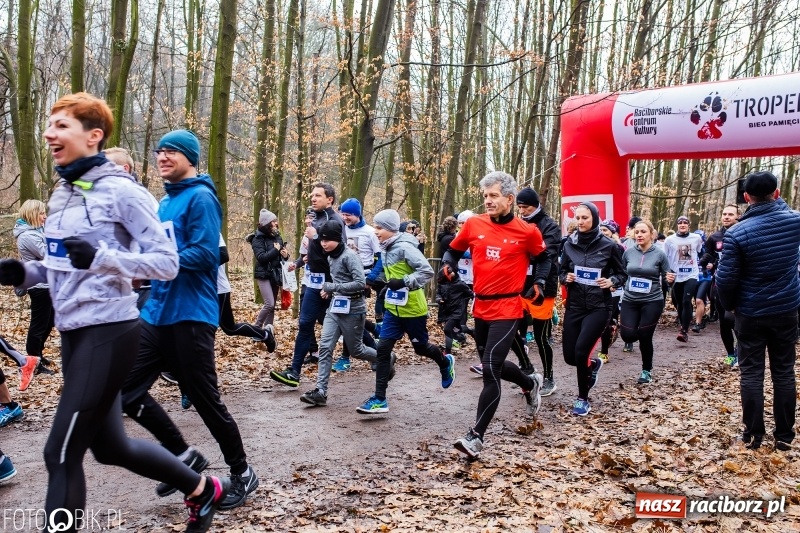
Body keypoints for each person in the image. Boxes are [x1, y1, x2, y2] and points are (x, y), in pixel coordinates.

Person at [0, 94, 227, 532]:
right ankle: (203, 489)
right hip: (74, 331)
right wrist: (22, 272)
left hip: (109, 328)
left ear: (93, 135)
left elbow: (167, 262)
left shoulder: (125, 191)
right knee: (110, 447)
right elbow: (61, 263)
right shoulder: (65, 191)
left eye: (62, 126)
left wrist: (104, 257)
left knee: (60, 452)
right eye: (50, 125)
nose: (49, 133)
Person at [120, 128, 256, 511]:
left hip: (191, 314)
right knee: (126, 391)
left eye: (171, 152)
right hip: (157, 312)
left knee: (203, 398)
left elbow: (205, 255)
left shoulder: (200, 198)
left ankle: (242, 473)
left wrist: (158, 264)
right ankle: (182, 455)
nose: (162, 157)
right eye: (158, 151)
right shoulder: (165, 202)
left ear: (189, 158)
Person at [443, 172, 549, 459]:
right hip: (481, 306)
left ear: (510, 199)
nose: (487, 201)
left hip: (509, 306)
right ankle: (530, 383)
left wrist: (538, 282)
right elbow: (452, 251)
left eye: (493, 196)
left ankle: (476, 437)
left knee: (490, 368)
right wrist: (448, 266)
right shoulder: (474, 224)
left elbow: (544, 258)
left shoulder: (527, 231)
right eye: (485, 196)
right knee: (495, 364)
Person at [716, 171, 800, 452]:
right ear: (777, 193)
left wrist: (730, 306)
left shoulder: (737, 232)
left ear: (746, 198)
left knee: (751, 373)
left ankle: (753, 435)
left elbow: (725, 279)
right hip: (786, 309)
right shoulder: (795, 221)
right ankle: (785, 436)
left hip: (750, 312)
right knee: (784, 371)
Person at [357, 209, 454, 414]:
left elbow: (427, 271)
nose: (376, 231)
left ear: (391, 229)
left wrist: (403, 282)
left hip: (413, 309)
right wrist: (378, 282)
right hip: (393, 309)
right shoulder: (385, 247)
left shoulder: (404, 248)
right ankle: (380, 399)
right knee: (383, 350)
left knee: (420, 348)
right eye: (375, 227)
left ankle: (445, 362)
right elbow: (387, 271)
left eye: (379, 228)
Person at [271, 184, 344, 387]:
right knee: (305, 324)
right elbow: (312, 250)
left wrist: (331, 284)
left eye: (318, 195)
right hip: (313, 283)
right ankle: (294, 372)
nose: (313, 198)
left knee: (347, 325)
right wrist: (300, 262)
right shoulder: (317, 218)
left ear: (329, 199)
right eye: (312, 195)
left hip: (328, 282)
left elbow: (340, 251)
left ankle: (378, 355)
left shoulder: (334, 220)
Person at [300, 220, 378, 406]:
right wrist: (330, 291)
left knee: (356, 350)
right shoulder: (330, 256)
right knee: (325, 347)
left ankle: (383, 356)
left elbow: (361, 284)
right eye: (321, 240)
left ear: (337, 239)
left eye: (327, 240)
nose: (323, 244)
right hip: (335, 308)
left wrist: (334, 287)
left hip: (353, 309)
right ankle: (320, 392)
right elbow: (337, 281)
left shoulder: (350, 257)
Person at [559, 202, 626, 416]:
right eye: (577, 218)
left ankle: (582, 398)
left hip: (599, 307)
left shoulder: (609, 245)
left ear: (595, 219)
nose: (580, 222)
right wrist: (565, 278)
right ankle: (593, 365)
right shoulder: (569, 244)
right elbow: (560, 271)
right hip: (575, 305)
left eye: (584, 218)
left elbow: (622, 274)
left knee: (580, 352)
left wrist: (612, 281)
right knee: (570, 356)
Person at [515, 187, 561, 396]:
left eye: (526, 207)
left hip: (542, 287)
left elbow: (546, 254)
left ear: (536, 205)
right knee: (513, 331)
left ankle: (549, 377)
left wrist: (524, 252)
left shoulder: (550, 225)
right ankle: (527, 370)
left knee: (542, 337)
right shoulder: (517, 223)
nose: (522, 211)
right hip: (517, 285)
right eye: (520, 207)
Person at [619, 220, 674, 384]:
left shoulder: (659, 254)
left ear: (651, 234)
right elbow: (622, 273)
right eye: (637, 232)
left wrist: (670, 279)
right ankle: (635, 333)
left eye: (643, 232)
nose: (639, 235)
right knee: (627, 335)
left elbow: (667, 276)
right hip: (630, 299)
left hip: (652, 300)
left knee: (645, 335)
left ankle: (646, 370)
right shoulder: (628, 253)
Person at [332, 198, 381, 372]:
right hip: (343, 279)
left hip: (363, 279)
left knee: (348, 318)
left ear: (357, 214)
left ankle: (349, 357)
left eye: (348, 215)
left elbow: (380, 257)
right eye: (343, 214)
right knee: (348, 318)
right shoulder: (341, 229)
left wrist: (371, 279)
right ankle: (374, 347)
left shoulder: (370, 232)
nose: (345, 217)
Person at [13, 199, 56, 384]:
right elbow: (48, 254)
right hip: (39, 286)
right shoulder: (28, 236)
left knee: (49, 321)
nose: (45, 216)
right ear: (32, 214)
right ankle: (32, 361)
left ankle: (37, 355)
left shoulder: (37, 231)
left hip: (47, 283)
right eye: (41, 213)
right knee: (39, 325)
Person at [701, 204, 739, 366]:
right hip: (719, 283)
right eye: (724, 214)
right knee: (724, 321)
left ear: (738, 216)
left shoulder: (743, 234)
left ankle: (741, 349)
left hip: (740, 285)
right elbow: (709, 253)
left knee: (734, 320)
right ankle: (731, 353)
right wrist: (706, 260)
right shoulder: (715, 237)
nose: (726, 217)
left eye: (730, 214)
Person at [663, 216, 704, 342]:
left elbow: (700, 252)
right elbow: (664, 258)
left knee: (687, 300)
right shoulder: (669, 240)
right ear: (677, 225)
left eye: (685, 222)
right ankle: (683, 323)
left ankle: (684, 330)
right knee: (680, 302)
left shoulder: (696, 238)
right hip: (676, 275)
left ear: (689, 225)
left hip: (691, 274)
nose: (682, 224)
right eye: (680, 222)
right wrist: (667, 273)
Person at [250, 208, 287, 329]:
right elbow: (261, 258)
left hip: (276, 274)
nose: (276, 223)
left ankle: (268, 330)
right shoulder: (257, 239)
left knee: (272, 306)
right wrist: (275, 250)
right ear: (266, 224)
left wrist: (285, 255)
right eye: (273, 221)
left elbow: (282, 255)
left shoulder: (277, 236)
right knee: (269, 303)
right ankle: (256, 328)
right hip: (263, 274)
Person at [597, 219, 625, 363]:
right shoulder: (595, 246)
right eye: (600, 229)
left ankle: (604, 352)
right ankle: (613, 327)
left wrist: (613, 281)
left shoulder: (618, 248)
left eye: (605, 230)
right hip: (597, 288)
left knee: (606, 321)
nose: (602, 233)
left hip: (614, 289)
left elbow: (622, 270)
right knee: (602, 321)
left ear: (612, 232)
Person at [435, 264, 474, 358]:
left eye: (451, 271)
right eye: (449, 272)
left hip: (457, 312)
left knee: (447, 329)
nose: (452, 273)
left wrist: (475, 303)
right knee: (456, 329)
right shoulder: (442, 284)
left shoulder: (460, 284)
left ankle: (447, 352)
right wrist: (439, 299)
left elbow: (471, 294)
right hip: (447, 311)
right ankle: (471, 332)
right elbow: (438, 294)